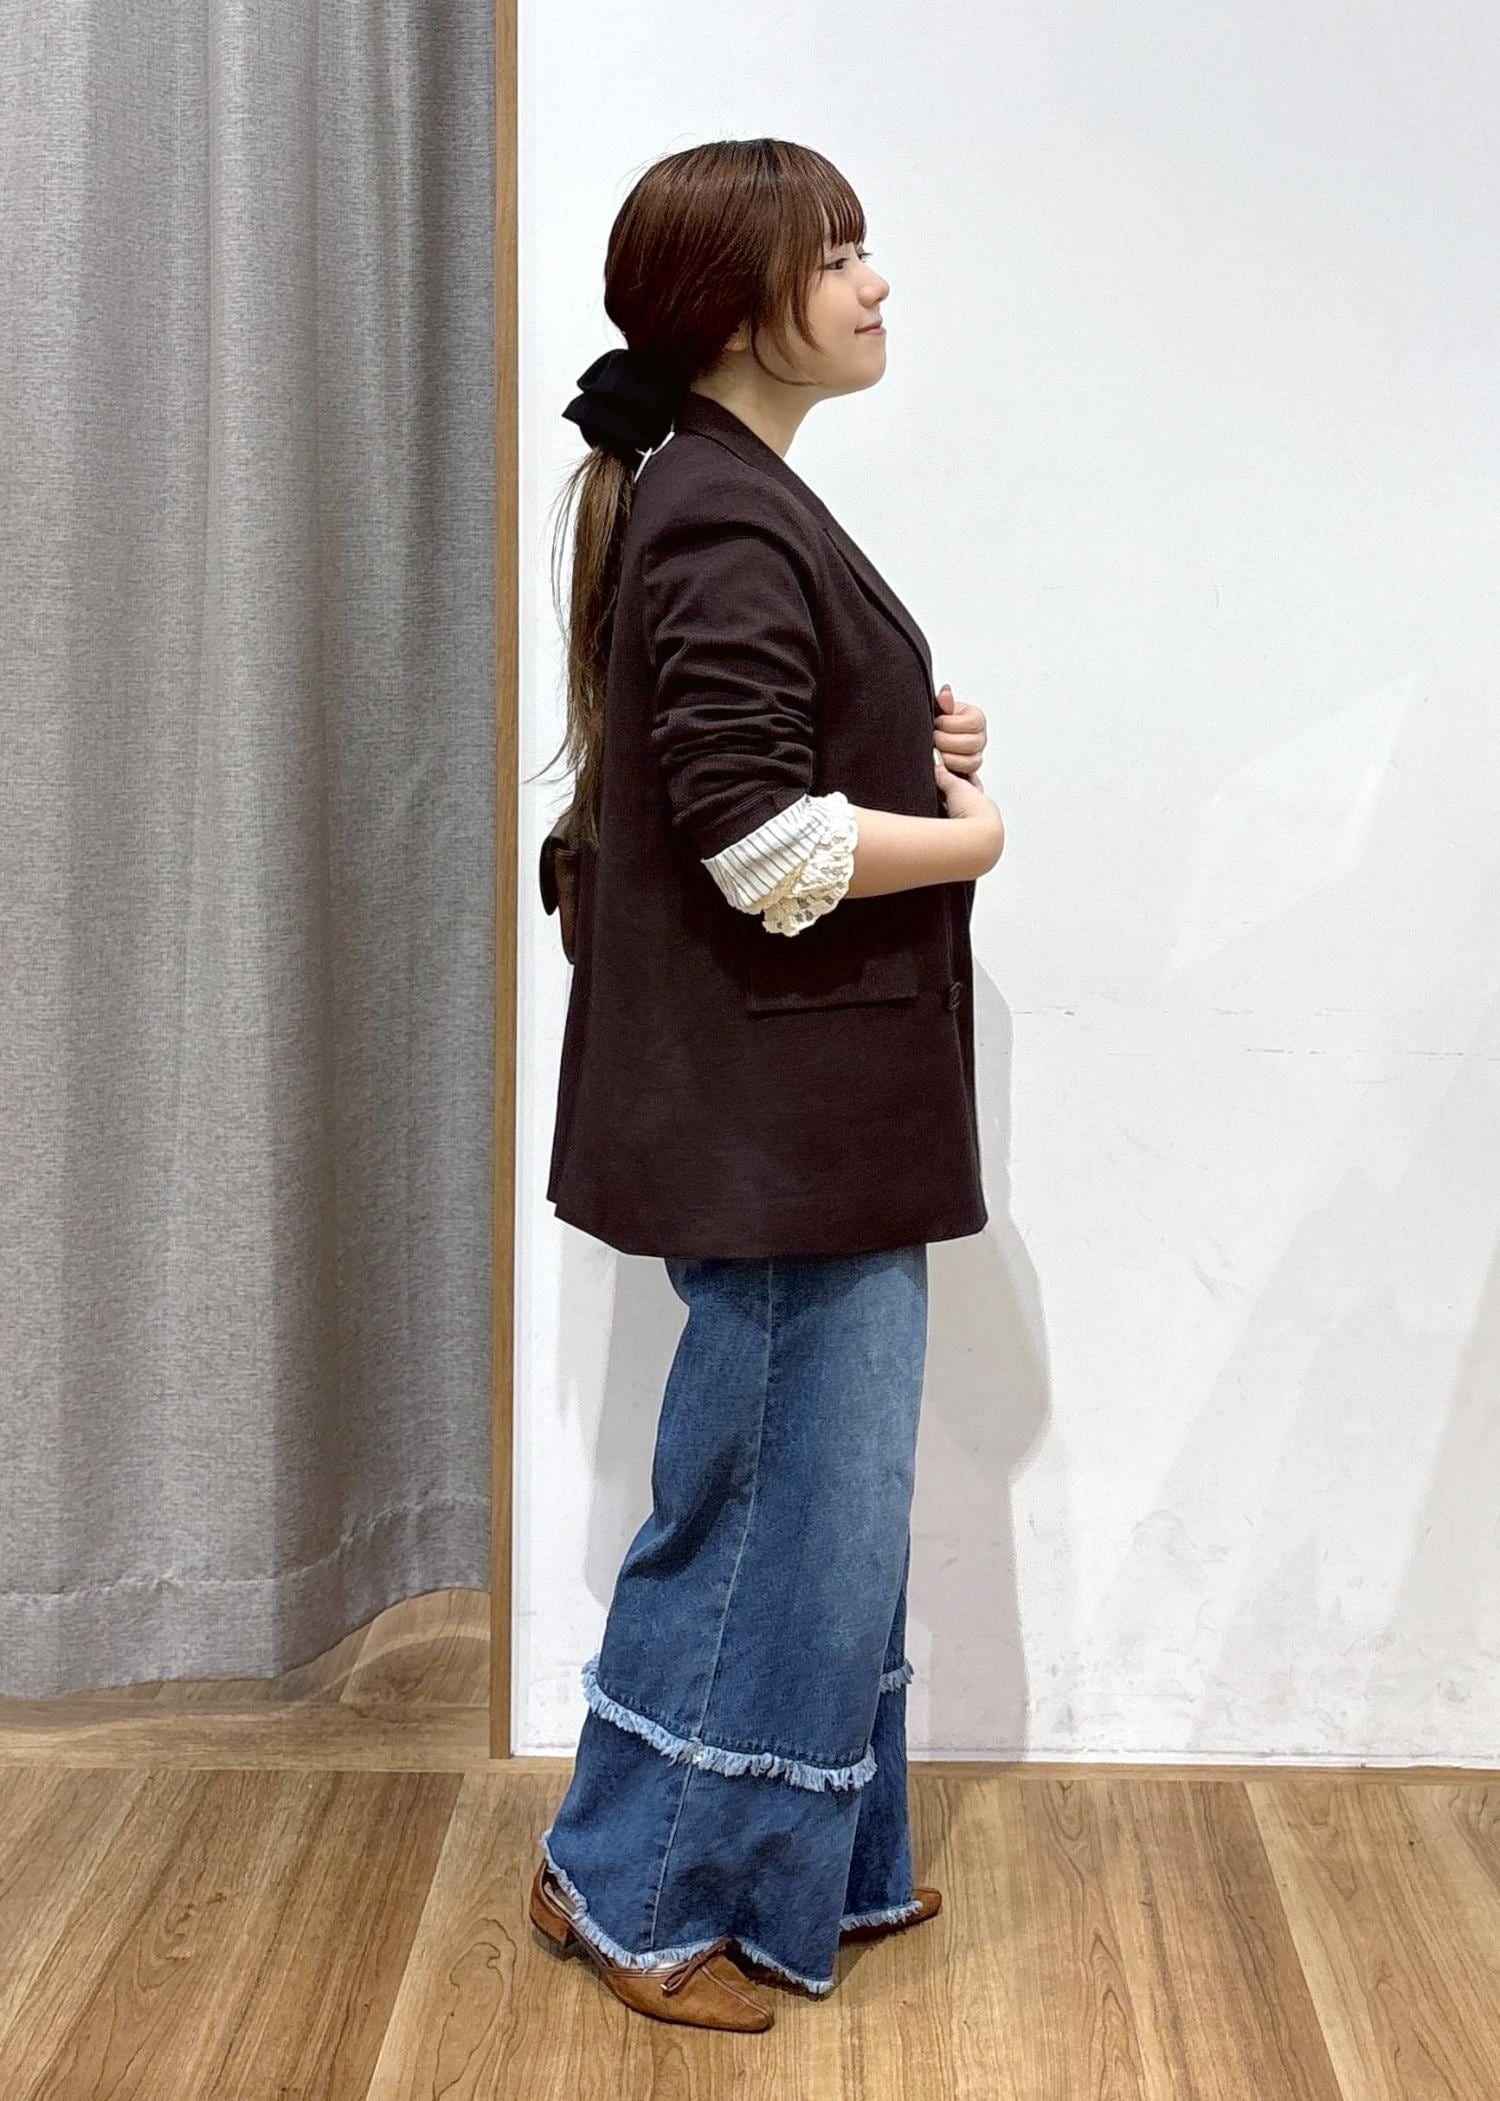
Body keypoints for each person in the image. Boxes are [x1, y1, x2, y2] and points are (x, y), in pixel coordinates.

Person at [527, 137, 1003, 2032]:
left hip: (801, 1122)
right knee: (763, 1511)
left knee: (818, 1508)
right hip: (782, 1134)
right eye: (841, 253)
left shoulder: (725, 491)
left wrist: (911, 737)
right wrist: (969, 839)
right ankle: (634, 1886)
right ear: (740, 310)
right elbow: (755, 843)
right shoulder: (724, 512)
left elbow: (759, 763)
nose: (878, 283)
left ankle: (804, 1863)